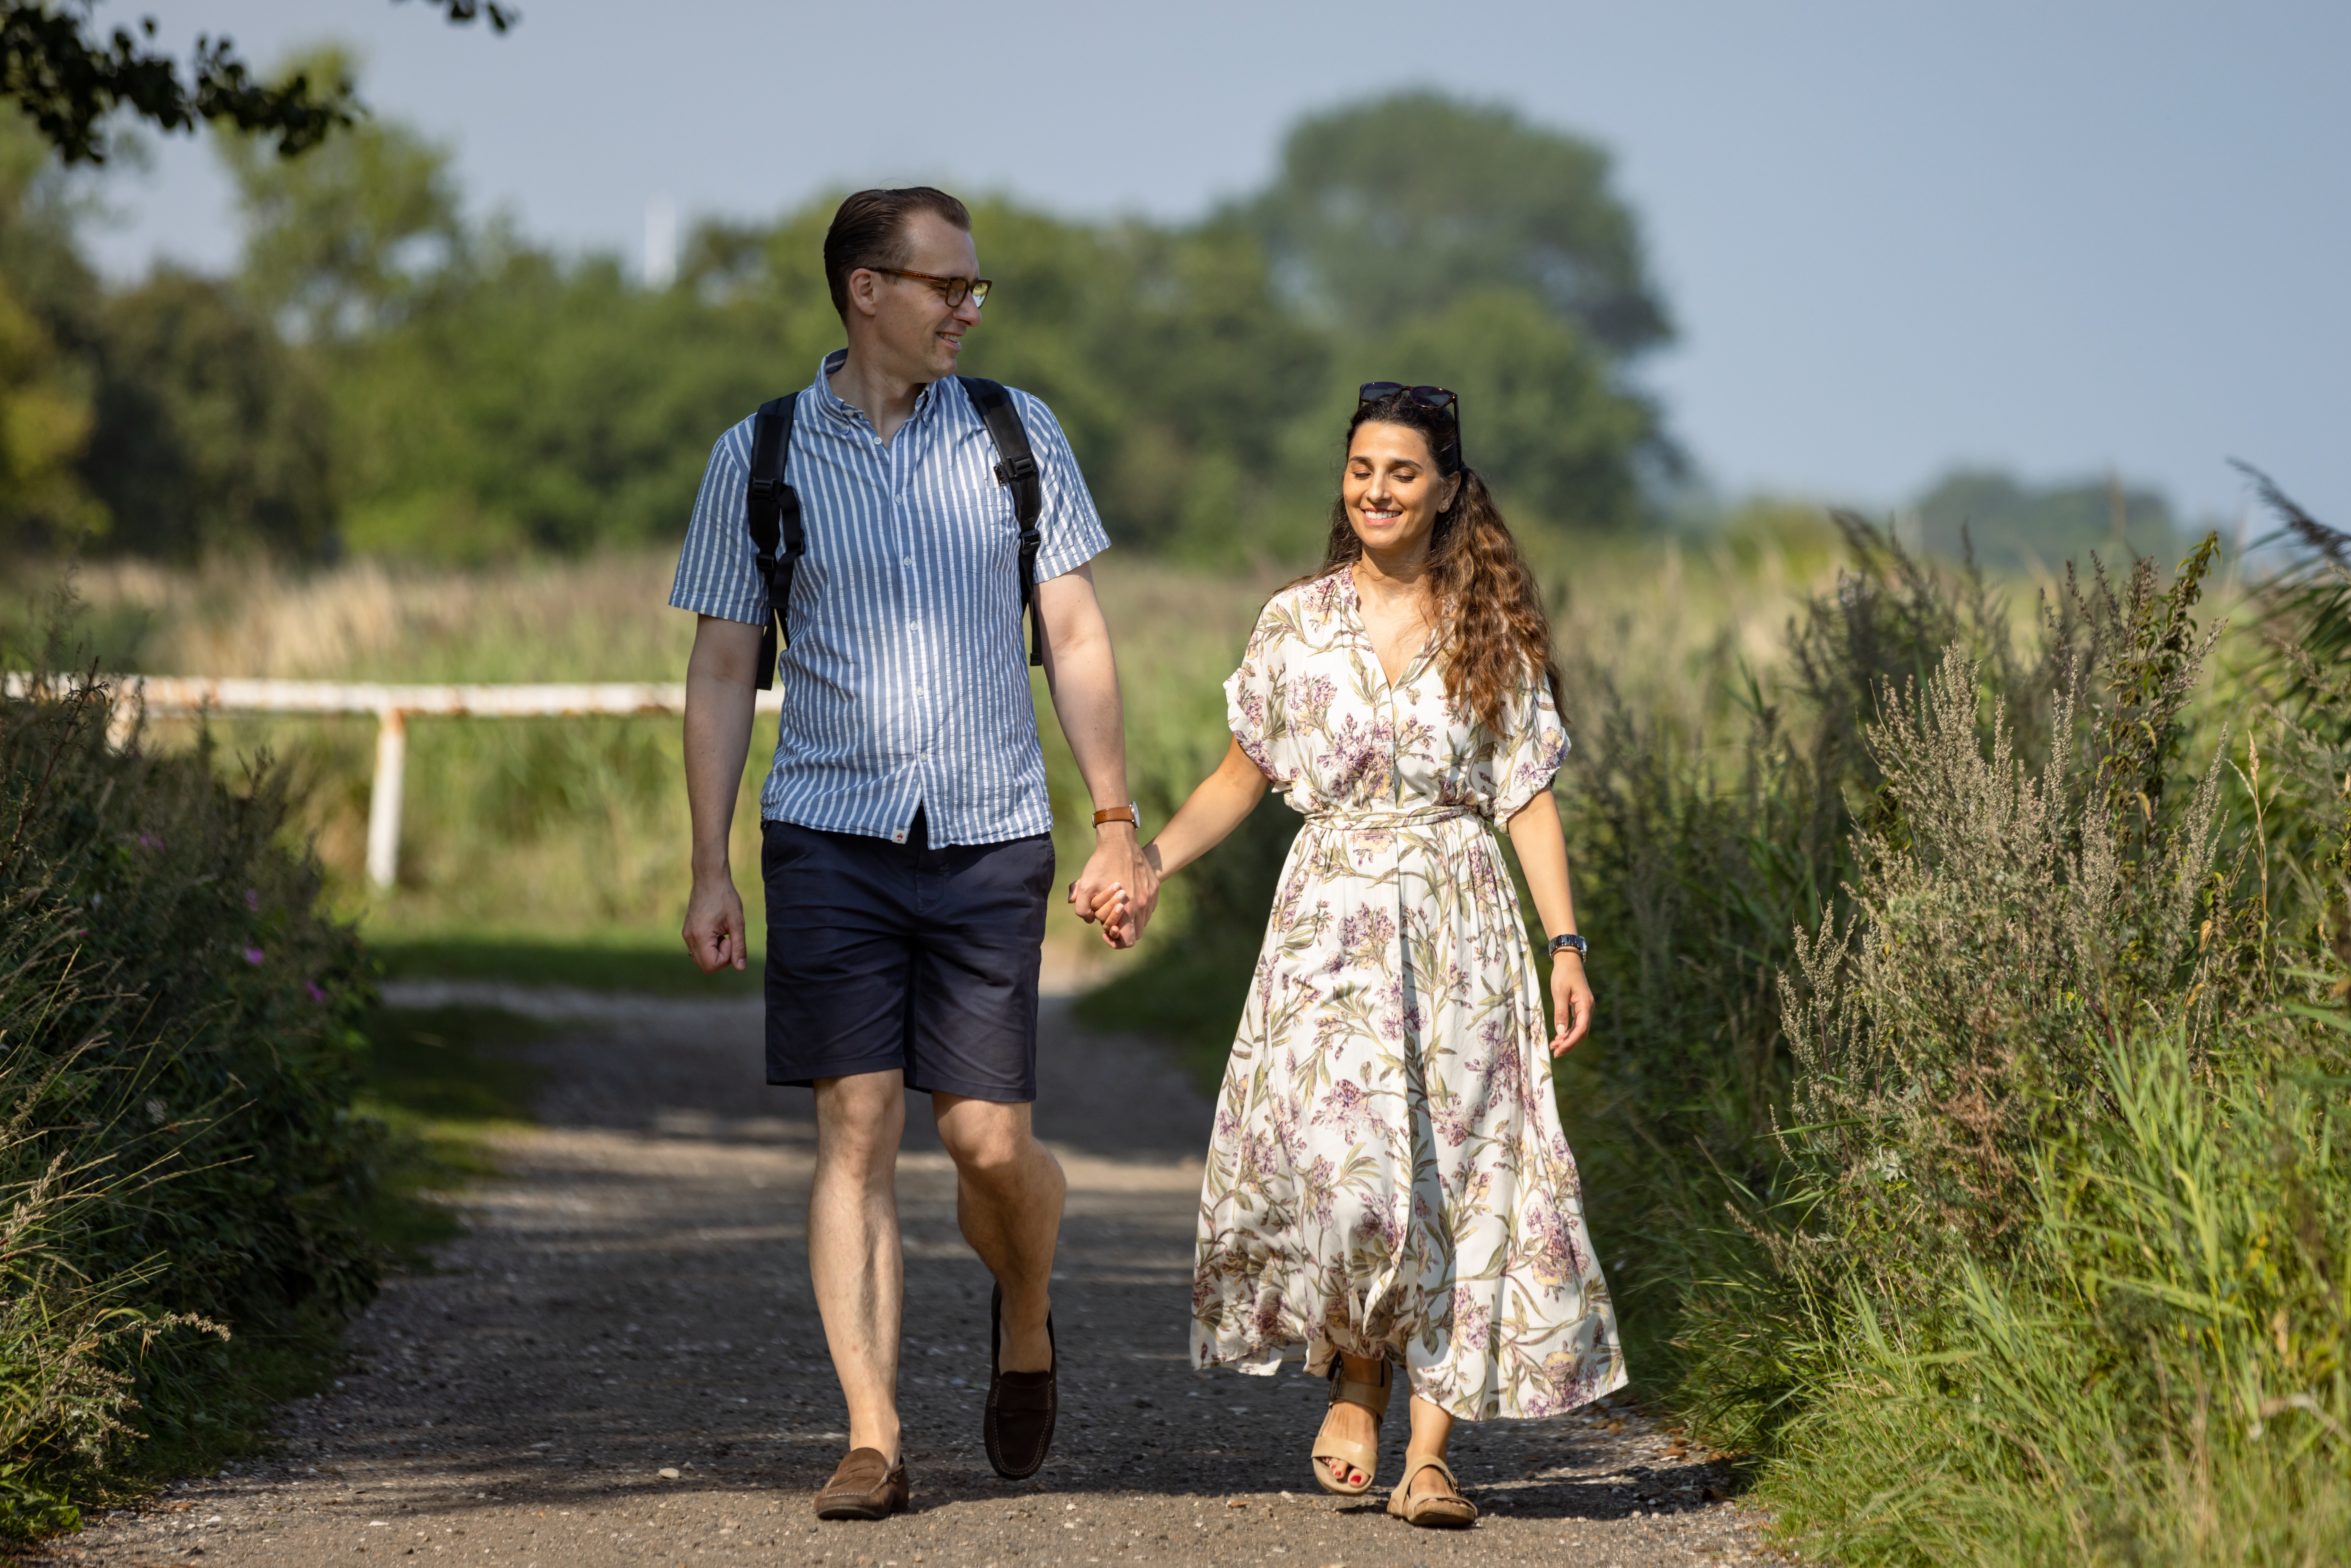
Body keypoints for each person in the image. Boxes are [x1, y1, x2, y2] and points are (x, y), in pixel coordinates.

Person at [671, 186, 1154, 1522]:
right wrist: (708, 863)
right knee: (859, 1128)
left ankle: (1025, 1300)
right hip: (827, 833)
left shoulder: (1015, 432)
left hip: (991, 828)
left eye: (975, 288)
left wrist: (1116, 820)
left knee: (991, 1144)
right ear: (864, 289)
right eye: (946, 285)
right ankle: (873, 1436)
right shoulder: (757, 455)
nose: (967, 308)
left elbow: (1081, 633)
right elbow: (718, 669)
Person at [1095, 385, 1622, 1528]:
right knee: (1344, 1174)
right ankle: (1357, 1372)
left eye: (1402, 473)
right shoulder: (1296, 624)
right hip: (1327, 932)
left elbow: (1526, 800)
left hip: (1462, 928)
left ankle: (1431, 1456)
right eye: (1361, 471)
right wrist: (1147, 867)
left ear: (1446, 490)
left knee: (1466, 1173)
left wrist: (1566, 946)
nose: (1377, 491)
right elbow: (1240, 780)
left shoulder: (1492, 631)